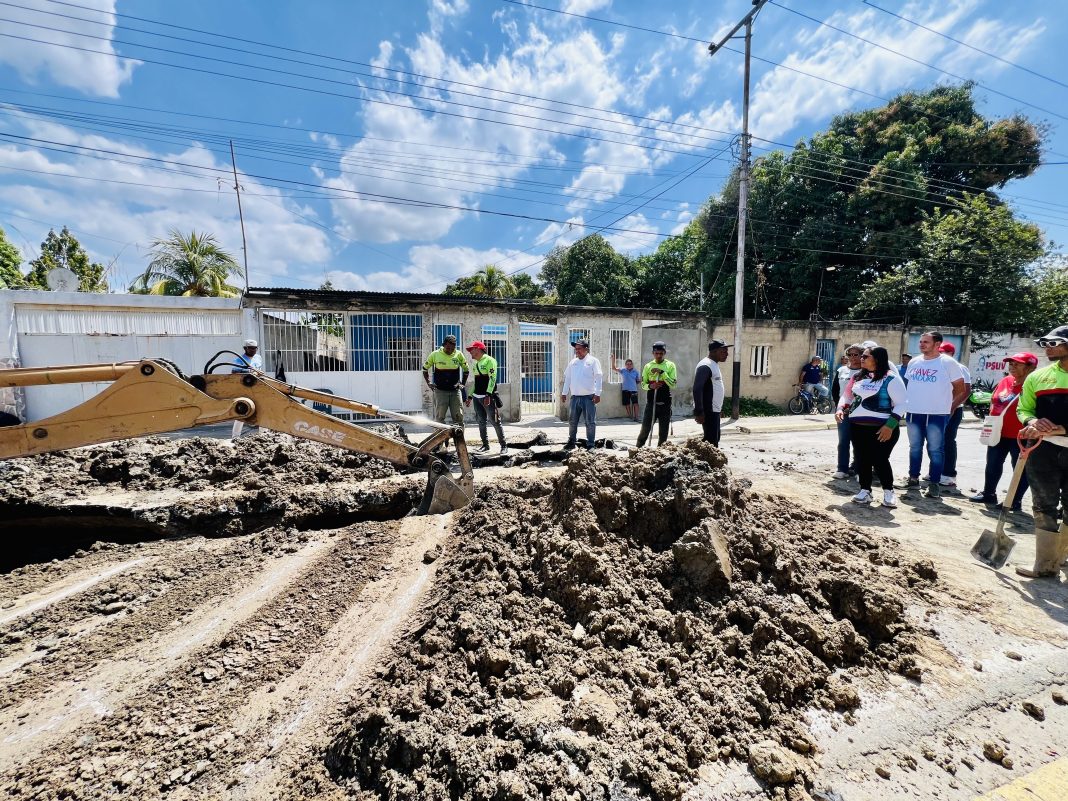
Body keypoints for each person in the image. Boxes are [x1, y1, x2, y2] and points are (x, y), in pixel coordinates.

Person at [1015, 325, 1068, 578]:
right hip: (1042, 449)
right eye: (1044, 343)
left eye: (1053, 343)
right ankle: (1045, 564)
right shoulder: (1038, 377)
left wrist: (1063, 429)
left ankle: (1061, 557)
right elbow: (1023, 409)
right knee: (1043, 504)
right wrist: (1032, 422)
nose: (1047, 348)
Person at [899, 331, 968, 498]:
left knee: (936, 449)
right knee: (915, 447)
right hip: (914, 412)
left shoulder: (948, 363)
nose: (921, 344)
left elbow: (960, 389)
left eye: (926, 342)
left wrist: (948, 406)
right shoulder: (914, 362)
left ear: (937, 344)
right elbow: (909, 385)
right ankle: (913, 478)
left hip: (937, 414)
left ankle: (934, 483)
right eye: (921, 342)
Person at [836, 346, 906, 508]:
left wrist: (890, 426)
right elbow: (847, 396)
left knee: (880, 459)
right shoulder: (858, 377)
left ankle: (889, 492)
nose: (861, 359)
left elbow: (902, 403)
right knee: (862, 459)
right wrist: (840, 408)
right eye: (862, 356)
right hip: (858, 427)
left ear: (877, 359)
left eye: (865, 356)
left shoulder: (891, 378)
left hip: (883, 428)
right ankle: (865, 490)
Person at [969, 352, 1038, 510]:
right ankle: (989, 493)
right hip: (998, 432)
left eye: (1017, 364)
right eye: (1011, 363)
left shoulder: (1035, 385)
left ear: (1030, 368)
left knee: (1020, 469)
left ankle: (1014, 500)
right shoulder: (1006, 381)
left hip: (1021, 435)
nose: (1012, 367)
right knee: (992, 464)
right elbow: (994, 400)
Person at [937, 341, 972, 489]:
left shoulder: (960, 368)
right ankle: (936, 471)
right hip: (937, 409)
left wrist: (951, 407)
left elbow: (966, 391)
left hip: (953, 409)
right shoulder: (936, 366)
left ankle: (949, 474)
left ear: (952, 353)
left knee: (948, 441)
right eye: (939, 352)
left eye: (943, 352)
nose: (941, 355)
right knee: (935, 442)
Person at [464, 341, 508, 456]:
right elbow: (476, 383)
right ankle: (485, 445)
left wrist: (488, 395)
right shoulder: (476, 364)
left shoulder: (490, 361)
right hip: (477, 397)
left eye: (472, 349)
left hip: (487, 397)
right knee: (481, 421)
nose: (470, 352)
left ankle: (504, 446)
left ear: (478, 349)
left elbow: (492, 379)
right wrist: (470, 396)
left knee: (495, 421)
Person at [561, 339, 602, 450]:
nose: (577, 351)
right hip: (575, 397)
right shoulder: (573, 362)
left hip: (589, 398)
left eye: (579, 349)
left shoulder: (593, 361)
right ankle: (571, 441)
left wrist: (598, 394)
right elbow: (568, 378)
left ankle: (591, 444)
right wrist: (564, 392)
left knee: (590, 422)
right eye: (576, 349)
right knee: (572, 421)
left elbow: (598, 377)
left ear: (586, 349)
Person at [831, 345, 863, 479]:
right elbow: (835, 390)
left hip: (860, 412)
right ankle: (842, 468)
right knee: (843, 441)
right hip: (844, 411)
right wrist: (839, 407)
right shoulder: (841, 370)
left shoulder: (865, 372)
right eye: (850, 355)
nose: (852, 357)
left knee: (859, 442)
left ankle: (859, 469)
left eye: (856, 355)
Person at [637, 341, 677, 448]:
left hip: (665, 404)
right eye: (656, 353)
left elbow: (673, 384)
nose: (659, 356)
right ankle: (637, 450)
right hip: (651, 403)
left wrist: (662, 373)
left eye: (661, 353)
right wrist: (651, 386)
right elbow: (643, 384)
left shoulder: (670, 365)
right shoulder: (648, 366)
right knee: (645, 429)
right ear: (653, 353)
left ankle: (661, 452)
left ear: (664, 353)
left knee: (663, 432)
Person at [422, 334, 468, 427]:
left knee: (459, 418)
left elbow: (466, 370)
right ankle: (440, 436)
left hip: (455, 391)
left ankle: (458, 436)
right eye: (448, 348)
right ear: (443, 345)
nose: (450, 350)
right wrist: (429, 383)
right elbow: (425, 369)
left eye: (452, 348)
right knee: (439, 418)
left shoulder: (459, 354)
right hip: (440, 391)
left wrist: (463, 384)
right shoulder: (435, 354)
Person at [694, 340, 729, 446]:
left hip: (714, 410)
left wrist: (718, 409)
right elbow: (697, 389)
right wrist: (699, 412)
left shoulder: (713, 364)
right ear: (714, 351)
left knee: (714, 439)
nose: (727, 354)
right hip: (708, 410)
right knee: (711, 442)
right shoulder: (705, 366)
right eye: (723, 351)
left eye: (726, 351)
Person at [230, 339, 263, 439]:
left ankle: (263, 435)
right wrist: (249, 371)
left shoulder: (258, 358)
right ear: (245, 348)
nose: (253, 350)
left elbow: (259, 370)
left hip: (257, 386)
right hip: (245, 388)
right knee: (243, 410)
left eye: (255, 348)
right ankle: (235, 437)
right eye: (251, 348)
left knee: (262, 409)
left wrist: (258, 373)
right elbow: (234, 371)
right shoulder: (239, 359)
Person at [612, 355, 641, 421]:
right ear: (625, 365)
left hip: (633, 390)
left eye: (630, 364)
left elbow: (638, 380)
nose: (629, 365)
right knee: (627, 404)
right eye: (627, 364)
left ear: (632, 365)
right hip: (625, 390)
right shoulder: (623, 370)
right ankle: (630, 416)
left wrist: (639, 380)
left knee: (635, 403)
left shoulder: (635, 372)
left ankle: (636, 417)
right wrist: (613, 359)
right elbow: (614, 368)